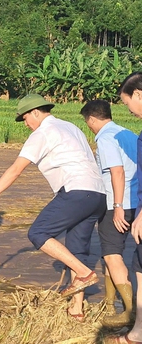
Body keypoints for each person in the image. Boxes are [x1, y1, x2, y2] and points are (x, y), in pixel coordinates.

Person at [0, 93, 106, 322]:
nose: (26, 125)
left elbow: (16, 169)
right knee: (77, 250)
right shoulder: (70, 127)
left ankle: (84, 273)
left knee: (38, 232)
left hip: (76, 190)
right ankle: (77, 310)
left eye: (25, 119)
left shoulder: (42, 133)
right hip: (98, 195)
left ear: (36, 112)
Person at [80, 100, 138, 328]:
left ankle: (131, 313)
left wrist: (117, 206)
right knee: (109, 252)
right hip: (137, 203)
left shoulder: (105, 138)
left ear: (92, 119)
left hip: (119, 203)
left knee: (112, 255)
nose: (89, 127)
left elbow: (117, 172)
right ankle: (108, 302)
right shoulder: (128, 134)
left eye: (88, 123)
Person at [106, 72, 142, 344]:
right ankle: (137, 333)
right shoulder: (135, 134)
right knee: (139, 266)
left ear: (138, 94)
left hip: (132, 207)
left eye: (127, 102)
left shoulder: (109, 138)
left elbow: (117, 172)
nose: (128, 110)